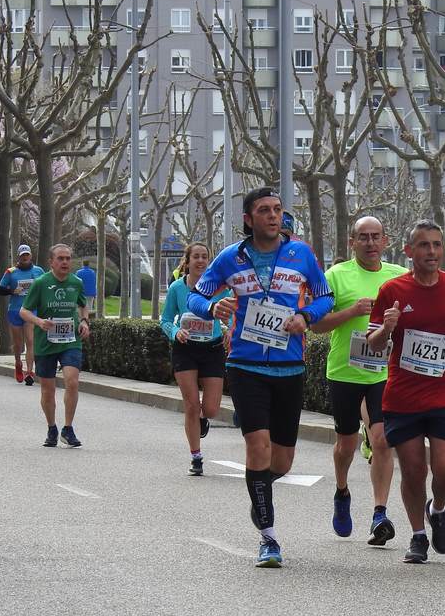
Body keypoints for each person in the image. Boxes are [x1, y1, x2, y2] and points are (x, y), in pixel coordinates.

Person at [187, 188, 334, 568]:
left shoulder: (301, 254)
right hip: (245, 366)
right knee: (258, 448)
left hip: (290, 368)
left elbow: (325, 296)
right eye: (264, 211)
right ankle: (269, 538)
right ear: (249, 220)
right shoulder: (229, 258)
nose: (272, 216)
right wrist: (211, 305)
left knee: (281, 462)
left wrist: (307, 316)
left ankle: (260, 494)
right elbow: (195, 296)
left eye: (277, 210)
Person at [367, 220, 445, 565]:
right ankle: (417, 535)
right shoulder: (392, 290)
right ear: (408, 251)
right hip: (404, 395)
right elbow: (373, 344)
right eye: (424, 245)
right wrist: (386, 327)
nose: (432, 252)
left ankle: (437, 509)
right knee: (413, 470)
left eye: (437, 245)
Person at [311, 215, 407, 546]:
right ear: (352, 242)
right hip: (345, 372)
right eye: (362, 237)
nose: (369, 243)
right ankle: (341, 491)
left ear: (385, 241)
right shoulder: (336, 276)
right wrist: (352, 312)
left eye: (375, 237)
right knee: (346, 445)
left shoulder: (399, 277)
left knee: (382, 440)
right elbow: (317, 324)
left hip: (384, 372)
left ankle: (380, 512)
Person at [161, 243, 230, 476]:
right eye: (196, 257)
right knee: (191, 404)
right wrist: (175, 332)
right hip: (185, 348)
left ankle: (203, 417)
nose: (201, 261)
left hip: (212, 349)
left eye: (205, 257)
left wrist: (230, 328)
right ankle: (196, 456)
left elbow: (232, 313)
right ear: (187, 261)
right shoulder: (177, 289)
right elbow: (166, 319)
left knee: (210, 409)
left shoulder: (219, 289)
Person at [19, 244, 91, 448]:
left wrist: (85, 322)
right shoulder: (41, 283)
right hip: (46, 342)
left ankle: (68, 429)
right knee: (47, 390)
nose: (65, 262)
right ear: (51, 262)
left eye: (68, 258)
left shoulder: (76, 282)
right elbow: (24, 311)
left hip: (70, 340)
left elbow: (83, 305)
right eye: (60, 258)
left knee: (72, 381)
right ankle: (52, 427)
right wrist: (39, 322)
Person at [0, 245, 45, 384]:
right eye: (23, 255)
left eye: (27, 255)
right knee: (18, 344)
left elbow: (44, 286)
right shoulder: (11, 272)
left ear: (30, 256)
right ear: (19, 256)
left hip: (31, 311)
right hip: (15, 310)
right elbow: (0, 290)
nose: (25, 257)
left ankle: (29, 372)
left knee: (30, 341)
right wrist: (12, 291)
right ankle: (18, 362)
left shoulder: (38, 271)